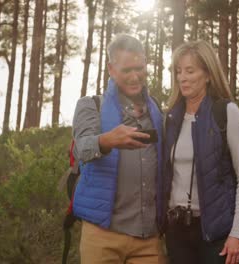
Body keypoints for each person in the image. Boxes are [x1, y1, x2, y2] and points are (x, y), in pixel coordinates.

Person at [71, 34, 166, 264]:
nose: (135, 77)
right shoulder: (90, 105)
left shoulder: (157, 112)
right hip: (102, 236)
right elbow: (81, 149)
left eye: (140, 68)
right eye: (126, 70)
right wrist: (107, 140)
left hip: (149, 238)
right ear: (111, 70)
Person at [161, 40, 239, 264]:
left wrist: (237, 235)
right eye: (178, 71)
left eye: (190, 71)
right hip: (177, 232)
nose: (182, 77)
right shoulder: (171, 118)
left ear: (208, 75)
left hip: (217, 232)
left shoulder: (226, 112)